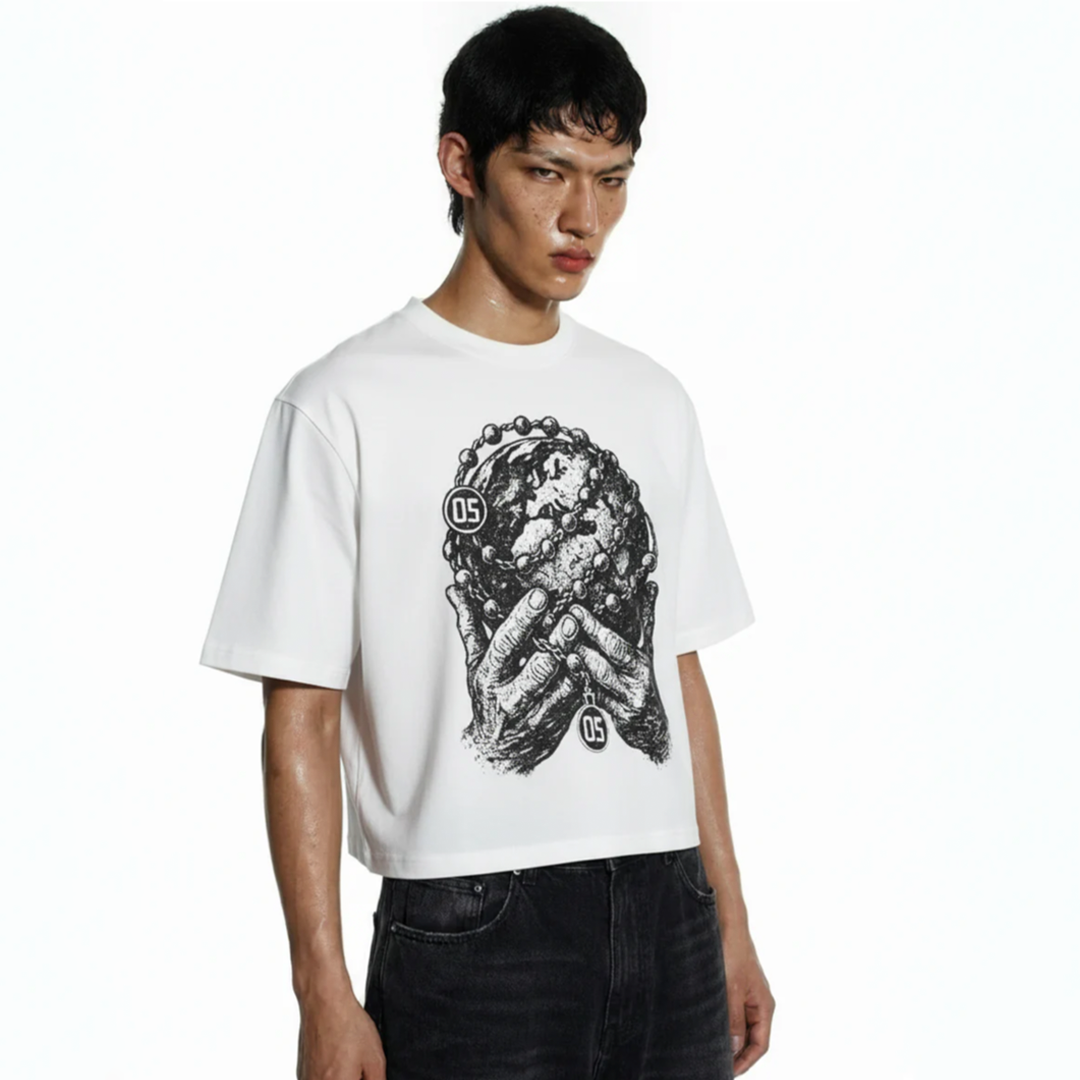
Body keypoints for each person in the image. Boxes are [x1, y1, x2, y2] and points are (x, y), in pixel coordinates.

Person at [199, 6, 774, 1078]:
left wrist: (729, 917)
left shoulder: (650, 399)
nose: (583, 218)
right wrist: (321, 990)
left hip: (671, 908)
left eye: (612, 179)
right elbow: (300, 712)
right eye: (548, 172)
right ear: (461, 165)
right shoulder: (341, 403)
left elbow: (680, 669)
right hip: (471, 923)